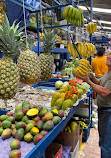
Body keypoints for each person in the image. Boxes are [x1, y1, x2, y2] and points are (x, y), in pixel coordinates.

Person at [76, 52, 111, 158]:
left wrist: (88, 82)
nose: (108, 57)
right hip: (104, 111)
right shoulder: (108, 71)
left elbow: (105, 92)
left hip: (109, 112)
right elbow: (101, 83)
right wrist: (93, 78)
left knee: (106, 144)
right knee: (103, 140)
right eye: (109, 54)